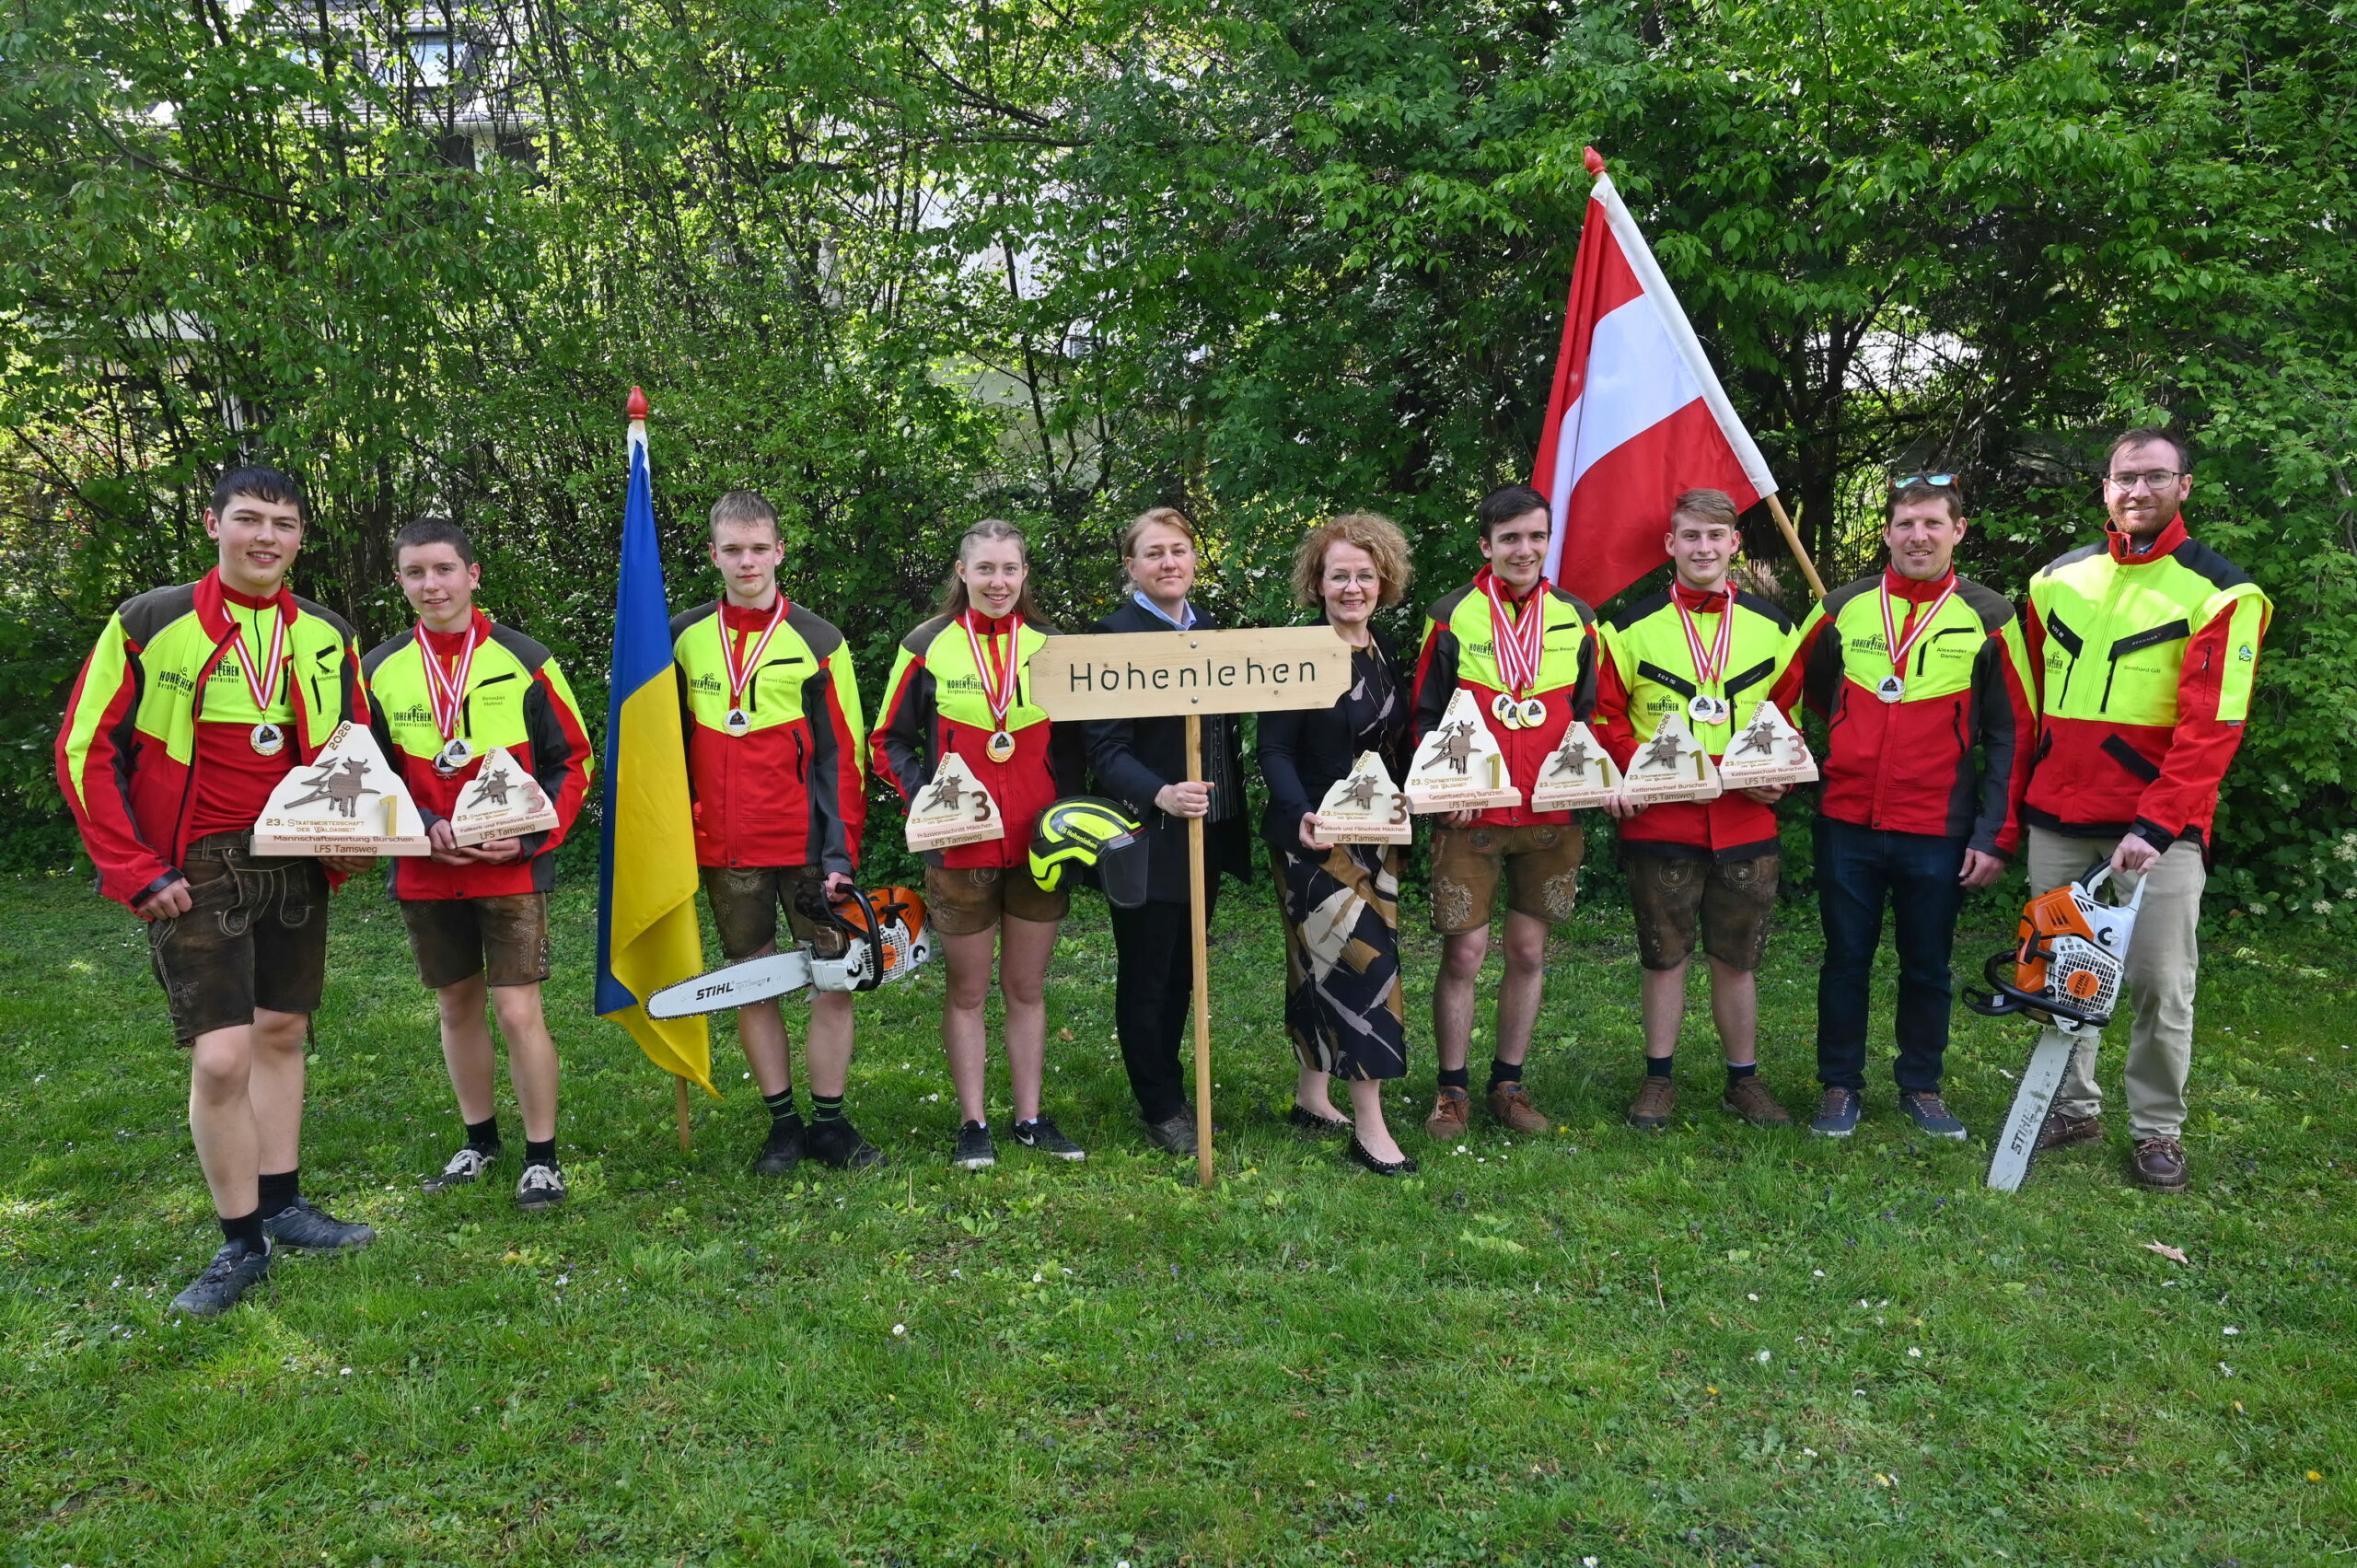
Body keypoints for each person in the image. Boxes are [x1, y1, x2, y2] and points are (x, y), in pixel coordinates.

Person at [55, 467, 377, 1317]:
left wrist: (359, 841)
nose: (265, 536)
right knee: (222, 1052)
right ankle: (241, 1243)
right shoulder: (149, 622)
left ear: (302, 536)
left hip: (294, 856)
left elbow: (357, 751)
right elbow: (86, 749)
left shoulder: (326, 633)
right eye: (248, 519)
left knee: (280, 1032)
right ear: (213, 523)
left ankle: (284, 1203)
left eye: (282, 522)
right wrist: (134, 867)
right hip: (193, 866)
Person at [2018, 429, 2270, 1191]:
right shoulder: (2053, 580)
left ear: (2183, 487)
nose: (2138, 491)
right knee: (2060, 967)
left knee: (2161, 980)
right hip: (2058, 815)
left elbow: (2212, 731)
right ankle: (2071, 1104)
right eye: (2125, 478)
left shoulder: (2224, 592)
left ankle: (2157, 1128)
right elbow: (2028, 710)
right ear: (2104, 488)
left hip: (2161, 829)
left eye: (2155, 477)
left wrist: (2156, 825)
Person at [1790, 476, 2035, 1138]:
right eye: (1905, 524)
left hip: (1939, 826)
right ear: (1888, 532)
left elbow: (2014, 730)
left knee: (1927, 962)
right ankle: (1839, 1085)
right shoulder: (1842, 607)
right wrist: (1848, 735)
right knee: (1845, 956)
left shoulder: (1991, 615)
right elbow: (1798, 688)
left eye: (1932, 523)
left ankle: (1921, 1084)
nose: (1918, 536)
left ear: (1958, 530)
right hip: (1846, 818)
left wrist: (1995, 834)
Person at [364, 518, 594, 1210]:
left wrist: (527, 841)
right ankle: (479, 1139)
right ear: (400, 581)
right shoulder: (376, 668)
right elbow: (363, 772)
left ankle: (543, 1156)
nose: (430, 585)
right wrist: (416, 828)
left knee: (519, 1009)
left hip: (510, 869)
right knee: (455, 1005)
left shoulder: (527, 660)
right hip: (426, 868)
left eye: (442, 569)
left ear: (473, 574)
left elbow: (573, 763)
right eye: (414, 573)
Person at [673, 491, 881, 1175]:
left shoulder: (819, 639)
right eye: (732, 549)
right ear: (713, 555)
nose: (746, 561)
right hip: (725, 850)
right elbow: (660, 752)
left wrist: (839, 850)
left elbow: (841, 756)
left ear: (780, 550)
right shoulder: (681, 636)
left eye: (759, 547)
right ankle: (783, 1123)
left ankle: (830, 1121)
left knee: (833, 980)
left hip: (806, 849)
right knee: (752, 982)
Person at [874, 518, 1084, 1170]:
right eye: (985, 569)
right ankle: (973, 1122)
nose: (998, 582)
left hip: (1038, 845)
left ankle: (1028, 1115)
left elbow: (1078, 746)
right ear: (962, 572)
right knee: (967, 990)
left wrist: (1068, 813)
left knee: (1026, 985)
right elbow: (886, 740)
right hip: (959, 846)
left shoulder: (1051, 646)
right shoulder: (925, 646)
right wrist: (929, 798)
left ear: (1025, 575)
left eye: (1010, 569)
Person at [1596, 488, 1803, 1130]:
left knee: (1737, 960)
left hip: (1745, 820)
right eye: (1690, 536)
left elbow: (1787, 717)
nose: (1704, 548)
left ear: (1734, 543)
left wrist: (1783, 777)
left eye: (1716, 537)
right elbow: (1605, 717)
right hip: (1663, 820)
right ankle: (1658, 1078)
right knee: (1664, 956)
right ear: (1671, 545)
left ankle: (1743, 1080)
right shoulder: (1627, 627)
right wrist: (1647, 771)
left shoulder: (1776, 626)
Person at [1408, 483, 1601, 1141]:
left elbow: (1589, 714)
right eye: (1511, 538)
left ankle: (1508, 1085)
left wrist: (1587, 778)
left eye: (1536, 536)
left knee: (1526, 949)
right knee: (1464, 953)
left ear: (1549, 541)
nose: (1525, 549)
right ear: (1485, 545)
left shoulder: (1578, 617)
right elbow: (1425, 717)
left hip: (1549, 815)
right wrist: (1444, 792)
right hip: (1473, 816)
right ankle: (1451, 1091)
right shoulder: (1451, 614)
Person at [1081, 508, 1253, 1155]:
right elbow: (1103, 748)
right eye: (1154, 553)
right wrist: (1159, 791)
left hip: (1206, 832)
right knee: (1149, 971)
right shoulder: (1110, 637)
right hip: (1145, 833)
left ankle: (1176, 1087)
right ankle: (1160, 1102)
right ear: (1131, 566)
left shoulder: (1211, 632)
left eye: (1179, 550)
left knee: (1186, 967)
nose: (1169, 562)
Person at [1259, 513, 1420, 1174]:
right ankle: (1371, 1127)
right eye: (1338, 575)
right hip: (1315, 840)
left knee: (1315, 967)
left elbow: (1395, 749)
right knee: (1364, 969)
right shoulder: (1300, 652)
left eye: (1364, 574)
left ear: (1383, 578)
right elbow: (1272, 747)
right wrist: (1299, 812)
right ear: (1316, 582)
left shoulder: (1384, 652)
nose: (1353, 587)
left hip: (1378, 840)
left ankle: (1310, 1097)